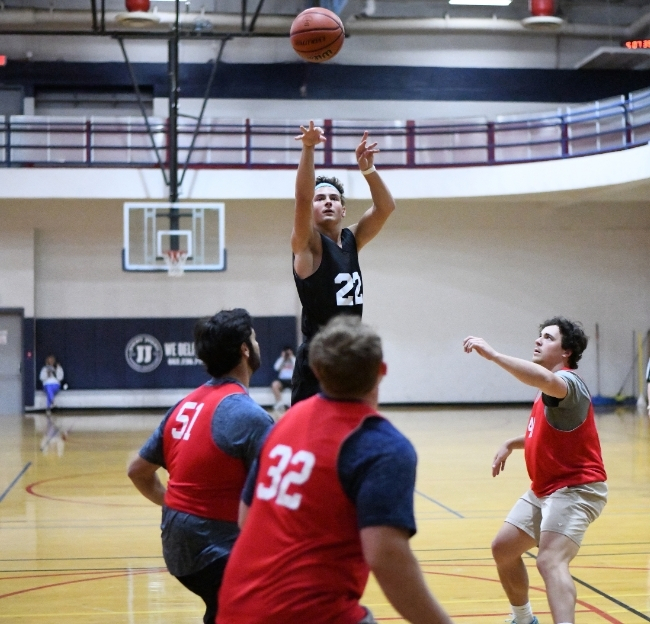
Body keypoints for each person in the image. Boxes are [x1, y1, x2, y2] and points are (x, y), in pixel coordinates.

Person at [217, 315, 454, 624]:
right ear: (382, 371)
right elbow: (387, 559)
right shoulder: (381, 445)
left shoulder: (285, 421)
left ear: (316, 370)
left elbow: (245, 518)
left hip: (235, 606)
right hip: (307, 613)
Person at [127, 309, 274, 624]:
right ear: (245, 350)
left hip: (176, 545)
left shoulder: (185, 404)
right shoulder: (250, 416)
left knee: (227, 606)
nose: (258, 343)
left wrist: (175, 504)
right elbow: (274, 496)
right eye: (255, 338)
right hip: (213, 548)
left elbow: (137, 470)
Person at [463, 317, 607, 624]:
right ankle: (524, 619)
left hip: (577, 488)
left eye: (548, 337)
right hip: (545, 488)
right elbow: (543, 436)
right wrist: (512, 443)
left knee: (550, 560)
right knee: (503, 549)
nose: (538, 341)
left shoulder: (569, 384)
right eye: (539, 336)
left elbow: (543, 380)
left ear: (566, 351)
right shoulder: (548, 393)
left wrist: (495, 356)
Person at [290, 121, 396, 405]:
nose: (327, 202)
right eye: (320, 198)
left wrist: (368, 169)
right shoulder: (308, 245)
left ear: (343, 209)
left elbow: (386, 208)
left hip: (350, 354)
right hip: (318, 359)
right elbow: (301, 198)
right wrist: (309, 148)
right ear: (311, 209)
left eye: (334, 198)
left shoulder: (352, 240)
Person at [270, 346, 295, 414]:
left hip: (292, 379)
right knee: (274, 385)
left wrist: (291, 357)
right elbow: (276, 368)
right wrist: (283, 358)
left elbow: (297, 366)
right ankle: (280, 403)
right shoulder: (281, 359)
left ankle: (294, 403)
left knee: (298, 385)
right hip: (282, 380)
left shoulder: (294, 359)